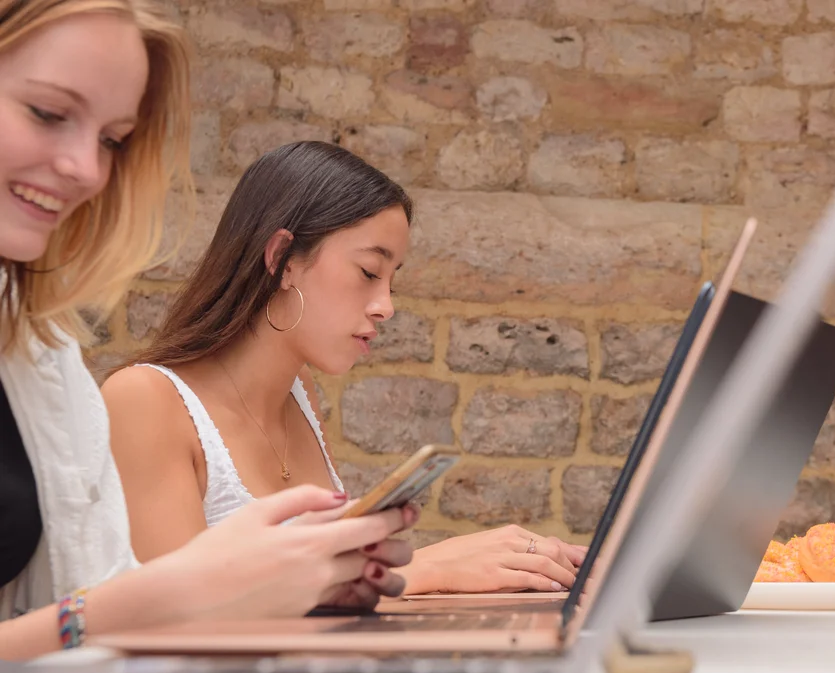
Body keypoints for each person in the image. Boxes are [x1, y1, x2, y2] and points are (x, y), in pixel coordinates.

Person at [0, 0, 416, 662]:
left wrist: (307, 586)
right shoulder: (137, 398)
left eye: (111, 140)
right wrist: (131, 606)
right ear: (280, 258)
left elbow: (105, 605)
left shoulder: (44, 360)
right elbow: (120, 612)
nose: (86, 169)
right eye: (47, 113)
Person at [103, 140, 590, 595]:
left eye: (392, 280)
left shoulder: (300, 394)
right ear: (281, 260)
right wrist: (422, 571)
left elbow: (325, 600)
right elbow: (176, 616)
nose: (386, 307)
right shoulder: (144, 400)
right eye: (368, 273)